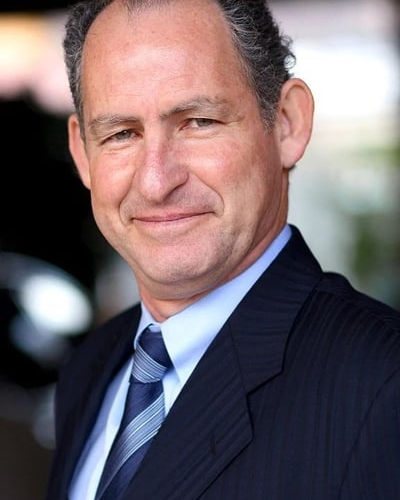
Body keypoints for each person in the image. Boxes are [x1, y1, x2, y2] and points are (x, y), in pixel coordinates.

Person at [45, 0, 400, 499]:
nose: (155, 181)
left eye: (198, 121)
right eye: (122, 134)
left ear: (287, 123)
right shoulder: (91, 369)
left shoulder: (383, 384)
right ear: (82, 153)